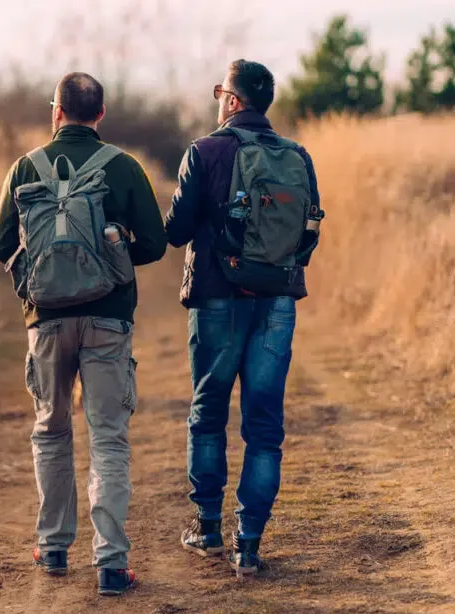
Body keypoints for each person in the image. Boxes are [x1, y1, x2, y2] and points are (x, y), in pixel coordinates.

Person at [0, 72, 167, 596]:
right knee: (108, 437)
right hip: (109, 318)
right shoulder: (125, 167)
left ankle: (52, 548)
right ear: (101, 114)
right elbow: (155, 244)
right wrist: (112, 259)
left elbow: (1, 245)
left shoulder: (24, 168)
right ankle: (111, 564)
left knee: (51, 429)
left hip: (44, 320)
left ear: (56, 111)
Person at [164, 60, 323, 577]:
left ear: (232, 101)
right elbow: (308, 233)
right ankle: (248, 544)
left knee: (208, 413)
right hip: (277, 301)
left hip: (218, 297)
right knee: (264, 426)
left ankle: (208, 528)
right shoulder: (297, 156)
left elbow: (175, 230)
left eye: (219, 92)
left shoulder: (205, 151)